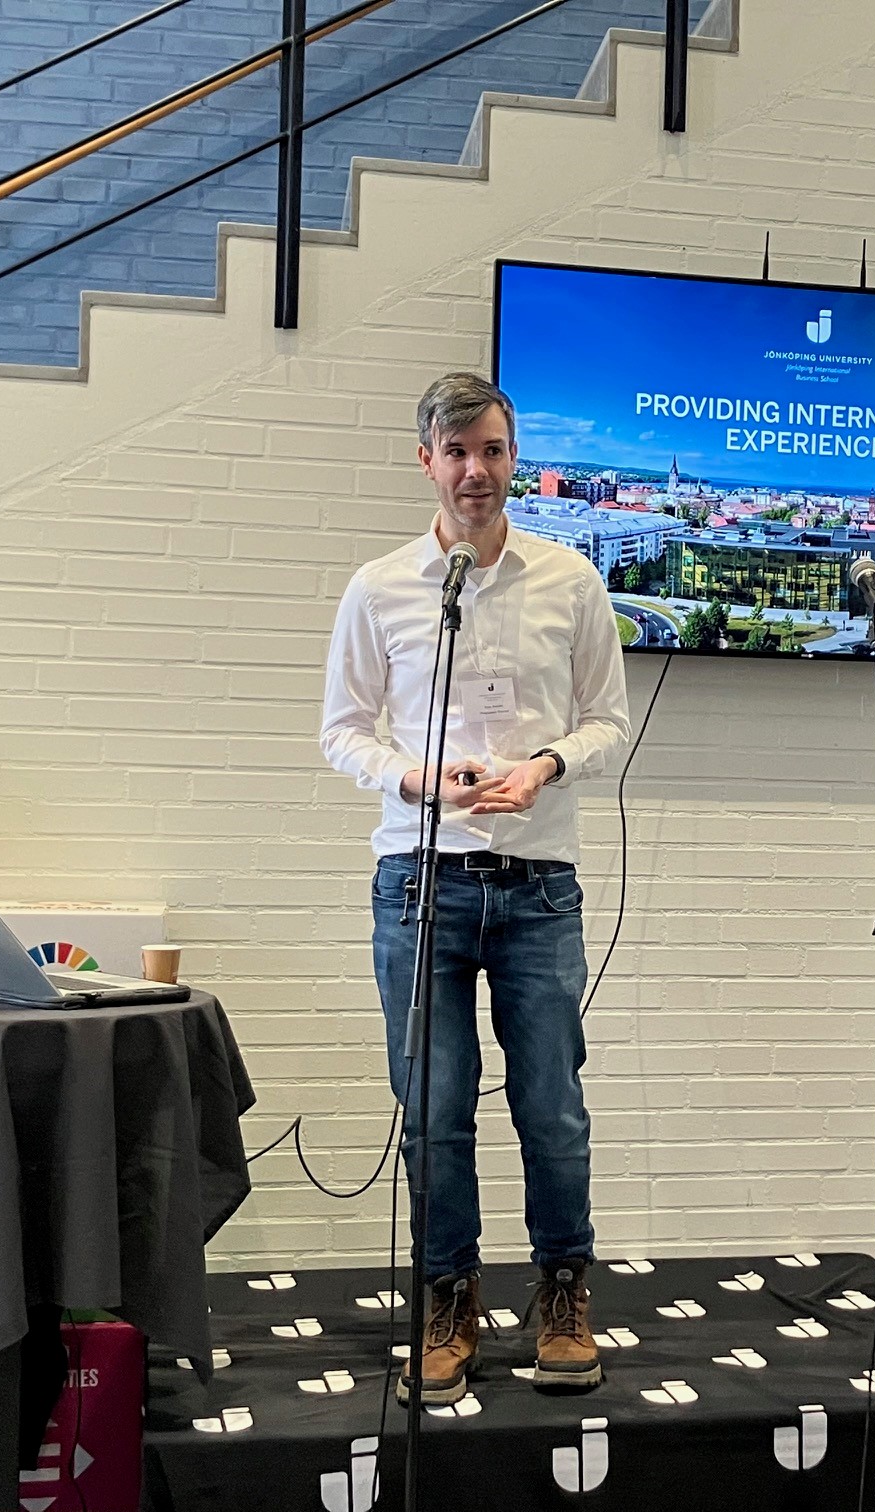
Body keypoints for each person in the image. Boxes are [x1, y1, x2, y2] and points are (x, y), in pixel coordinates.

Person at [320, 371, 629, 1403]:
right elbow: (343, 731)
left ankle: (564, 1299)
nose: (475, 471)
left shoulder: (571, 580)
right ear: (427, 462)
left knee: (553, 1108)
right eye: (456, 452)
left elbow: (608, 720)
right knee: (435, 1111)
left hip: (537, 887)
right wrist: (415, 777)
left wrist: (545, 766)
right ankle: (448, 1304)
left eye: (492, 450)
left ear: (513, 459)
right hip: (421, 883)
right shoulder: (382, 588)